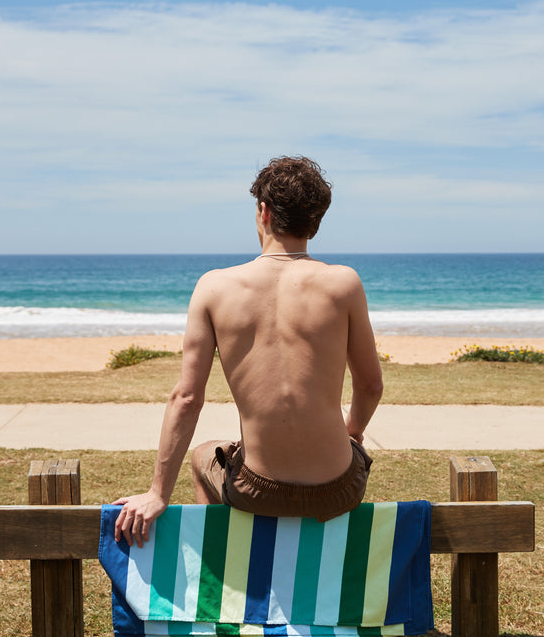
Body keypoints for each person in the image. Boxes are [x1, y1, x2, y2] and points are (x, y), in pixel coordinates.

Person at [114, 155, 383, 547]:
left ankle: (232, 571)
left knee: (204, 455)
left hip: (259, 491)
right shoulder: (343, 284)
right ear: (316, 220)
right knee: (337, 452)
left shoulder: (215, 287)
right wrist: (352, 432)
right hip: (338, 488)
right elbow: (371, 385)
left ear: (263, 211)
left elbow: (187, 398)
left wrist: (158, 494)